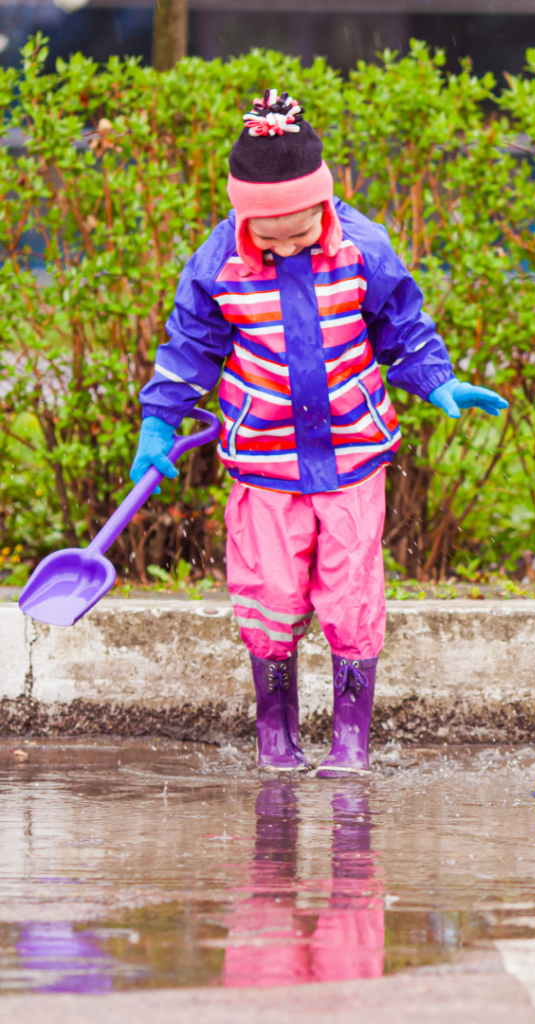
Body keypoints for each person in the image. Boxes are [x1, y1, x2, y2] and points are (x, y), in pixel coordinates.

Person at [131, 90, 507, 776]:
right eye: (266, 237)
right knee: (270, 599)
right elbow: (188, 350)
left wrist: (436, 380)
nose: (284, 247)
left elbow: (402, 325)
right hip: (264, 466)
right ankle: (276, 738)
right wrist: (159, 421)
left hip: (353, 461)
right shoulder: (218, 265)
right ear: (242, 216)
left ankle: (350, 743)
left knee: (351, 597)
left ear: (325, 203)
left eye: (299, 234)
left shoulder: (364, 247)